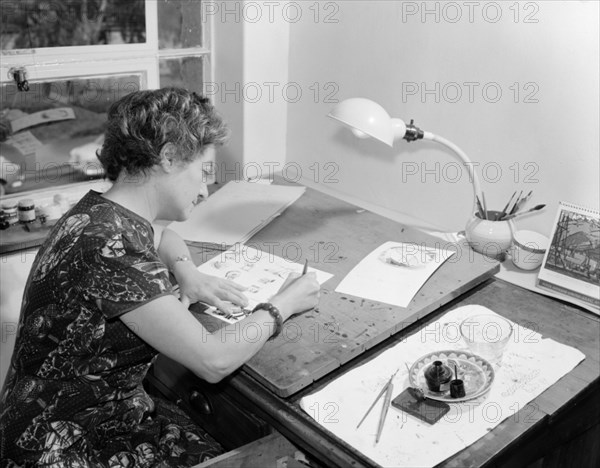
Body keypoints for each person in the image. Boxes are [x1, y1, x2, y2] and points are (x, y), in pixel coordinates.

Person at [0, 88, 320, 466]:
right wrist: (282, 305)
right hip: (61, 445)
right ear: (168, 156)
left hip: (69, 416)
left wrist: (187, 272)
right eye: (202, 172)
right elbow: (213, 360)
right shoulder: (109, 245)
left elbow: (163, 235)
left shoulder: (99, 212)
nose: (204, 190)